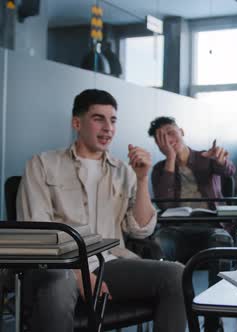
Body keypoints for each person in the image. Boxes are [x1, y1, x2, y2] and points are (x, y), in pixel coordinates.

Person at [16, 89, 185, 332]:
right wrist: (79, 275)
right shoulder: (41, 164)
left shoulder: (124, 171)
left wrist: (141, 179)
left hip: (110, 264)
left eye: (113, 120)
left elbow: (140, 230)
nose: (108, 127)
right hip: (59, 268)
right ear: (77, 122)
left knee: (176, 274)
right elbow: (39, 236)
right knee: (60, 283)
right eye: (98, 118)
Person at [148, 116, 236, 263]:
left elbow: (229, 171)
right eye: (161, 138)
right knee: (158, 242)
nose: (168, 140)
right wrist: (171, 158)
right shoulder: (159, 169)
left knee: (221, 240)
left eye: (170, 133)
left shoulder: (207, 157)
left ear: (181, 131)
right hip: (175, 228)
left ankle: (219, 286)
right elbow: (164, 204)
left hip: (212, 225)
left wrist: (221, 161)